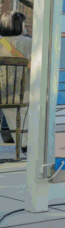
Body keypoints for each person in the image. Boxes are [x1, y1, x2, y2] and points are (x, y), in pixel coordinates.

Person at [0, 11, 31, 145]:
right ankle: (21, 140)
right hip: (22, 94)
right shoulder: (29, 43)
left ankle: (5, 130)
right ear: (19, 25)